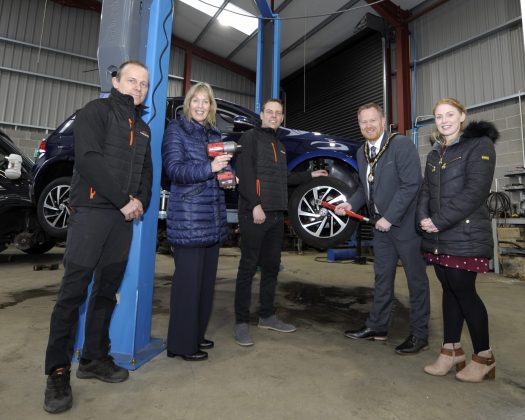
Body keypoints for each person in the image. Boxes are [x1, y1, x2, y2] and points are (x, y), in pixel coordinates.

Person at [43, 60, 152, 413]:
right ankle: (58, 372)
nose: (138, 88)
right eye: (132, 80)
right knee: (73, 292)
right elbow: (89, 161)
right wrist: (123, 201)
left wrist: (139, 203)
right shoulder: (95, 112)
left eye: (144, 84)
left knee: (106, 291)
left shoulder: (144, 129)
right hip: (91, 214)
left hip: (122, 220)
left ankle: (93, 358)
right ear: (116, 81)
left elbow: (147, 176)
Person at [335, 102, 430, 355]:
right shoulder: (362, 152)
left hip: (405, 227)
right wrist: (349, 203)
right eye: (363, 122)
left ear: (383, 120)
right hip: (380, 227)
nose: (368, 125)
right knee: (382, 279)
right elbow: (365, 188)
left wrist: (390, 216)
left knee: (416, 281)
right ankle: (377, 327)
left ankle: (420, 334)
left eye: (372, 120)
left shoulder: (400, 145)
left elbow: (411, 185)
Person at [233, 98, 327, 346]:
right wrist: (254, 205)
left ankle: (267, 315)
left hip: (275, 214)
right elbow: (244, 173)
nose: (273, 116)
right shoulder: (250, 138)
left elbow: (283, 177)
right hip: (255, 213)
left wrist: (310, 176)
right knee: (248, 267)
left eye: (278, 113)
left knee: (272, 267)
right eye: (269, 112)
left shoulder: (280, 145)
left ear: (282, 118)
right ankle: (241, 322)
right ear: (261, 114)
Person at [417, 98, 498, 382]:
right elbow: (425, 191)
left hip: (464, 232)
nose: (444, 120)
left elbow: (475, 191)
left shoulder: (479, 146)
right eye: (439, 116)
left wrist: (438, 220)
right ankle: (451, 352)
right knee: (449, 289)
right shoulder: (434, 154)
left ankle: (483, 357)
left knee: (464, 291)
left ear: (462, 116)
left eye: (450, 114)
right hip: (439, 234)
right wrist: (423, 218)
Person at [161, 82, 232, 361]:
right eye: (196, 101)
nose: (201, 106)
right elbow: (174, 170)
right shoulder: (175, 131)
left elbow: (219, 169)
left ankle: (196, 334)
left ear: (211, 106)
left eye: (206, 102)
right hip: (189, 218)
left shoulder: (214, 134)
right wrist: (209, 168)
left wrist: (228, 177)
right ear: (188, 104)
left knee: (204, 285)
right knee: (187, 286)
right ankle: (181, 345)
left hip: (212, 218)